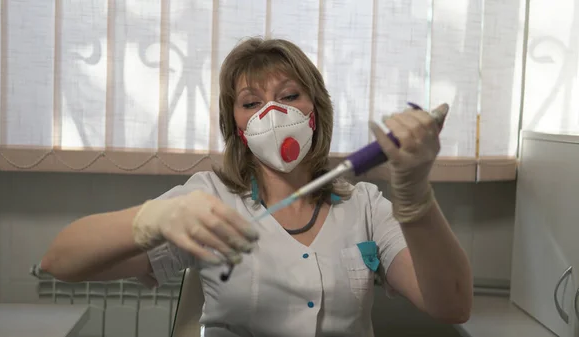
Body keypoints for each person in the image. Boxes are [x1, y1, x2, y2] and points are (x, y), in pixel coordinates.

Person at [41, 37, 472, 336]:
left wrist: (416, 197)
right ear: (239, 128)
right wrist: (151, 217)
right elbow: (61, 262)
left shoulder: (363, 204)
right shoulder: (208, 199)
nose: (273, 112)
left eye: (289, 96)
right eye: (252, 103)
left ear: (315, 112)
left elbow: (452, 305)